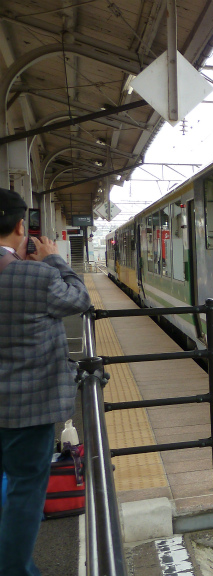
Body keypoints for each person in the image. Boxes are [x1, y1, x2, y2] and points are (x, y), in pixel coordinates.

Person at [0, 188, 91, 576]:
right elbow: (79, 299)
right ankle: (15, 570)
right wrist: (55, 259)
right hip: (27, 408)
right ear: (22, 227)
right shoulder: (35, 275)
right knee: (25, 489)